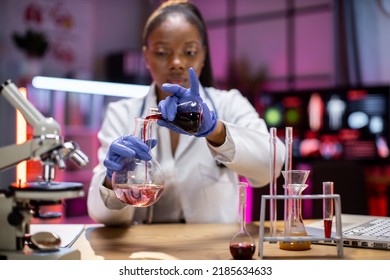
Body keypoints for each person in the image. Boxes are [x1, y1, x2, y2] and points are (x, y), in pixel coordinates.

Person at [87, 0, 285, 226]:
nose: (177, 63)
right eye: (162, 52)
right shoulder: (121, 113)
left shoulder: (229, 103)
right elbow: (102, 214)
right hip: (146, 255)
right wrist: (113, 180)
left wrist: (216, 131)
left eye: (189, 52)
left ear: (203, 56)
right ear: (146, 56)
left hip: (215, 253)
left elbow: (272, 165)